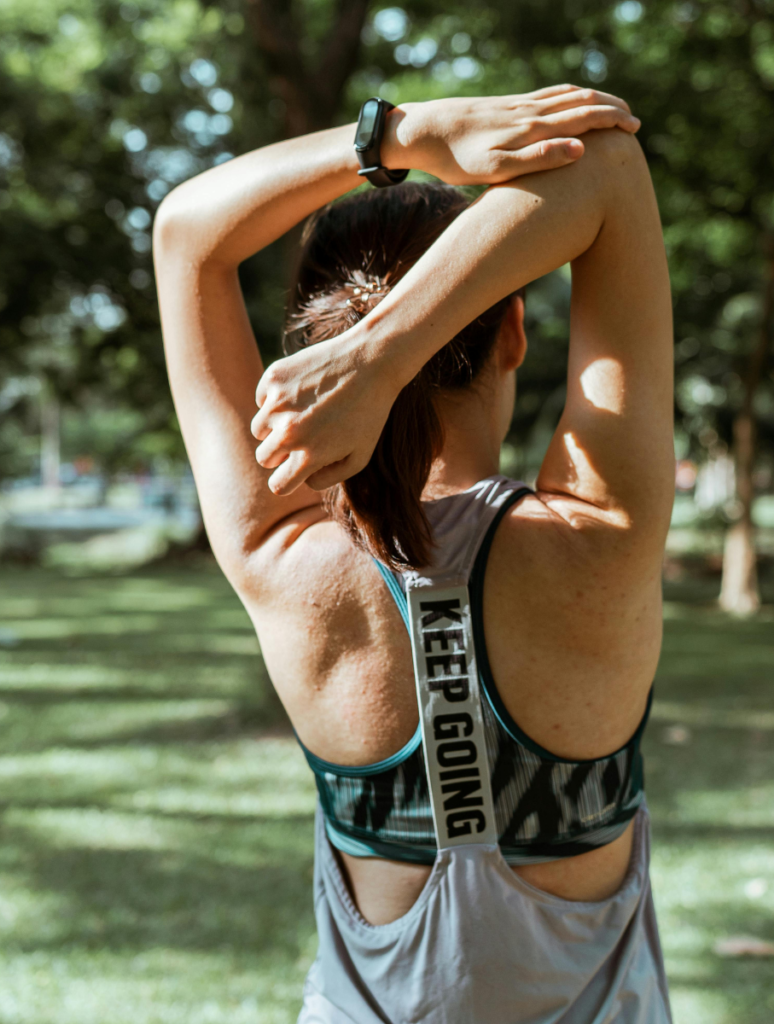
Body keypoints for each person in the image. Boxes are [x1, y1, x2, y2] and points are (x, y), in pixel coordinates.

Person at [154, 86, 674, 1023]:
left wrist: (401, 135)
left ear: (307, 350)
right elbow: (611, 167)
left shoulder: (280, 551)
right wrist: (385, 358)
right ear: (512, 330)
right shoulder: (602, 530)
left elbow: (186, 231)